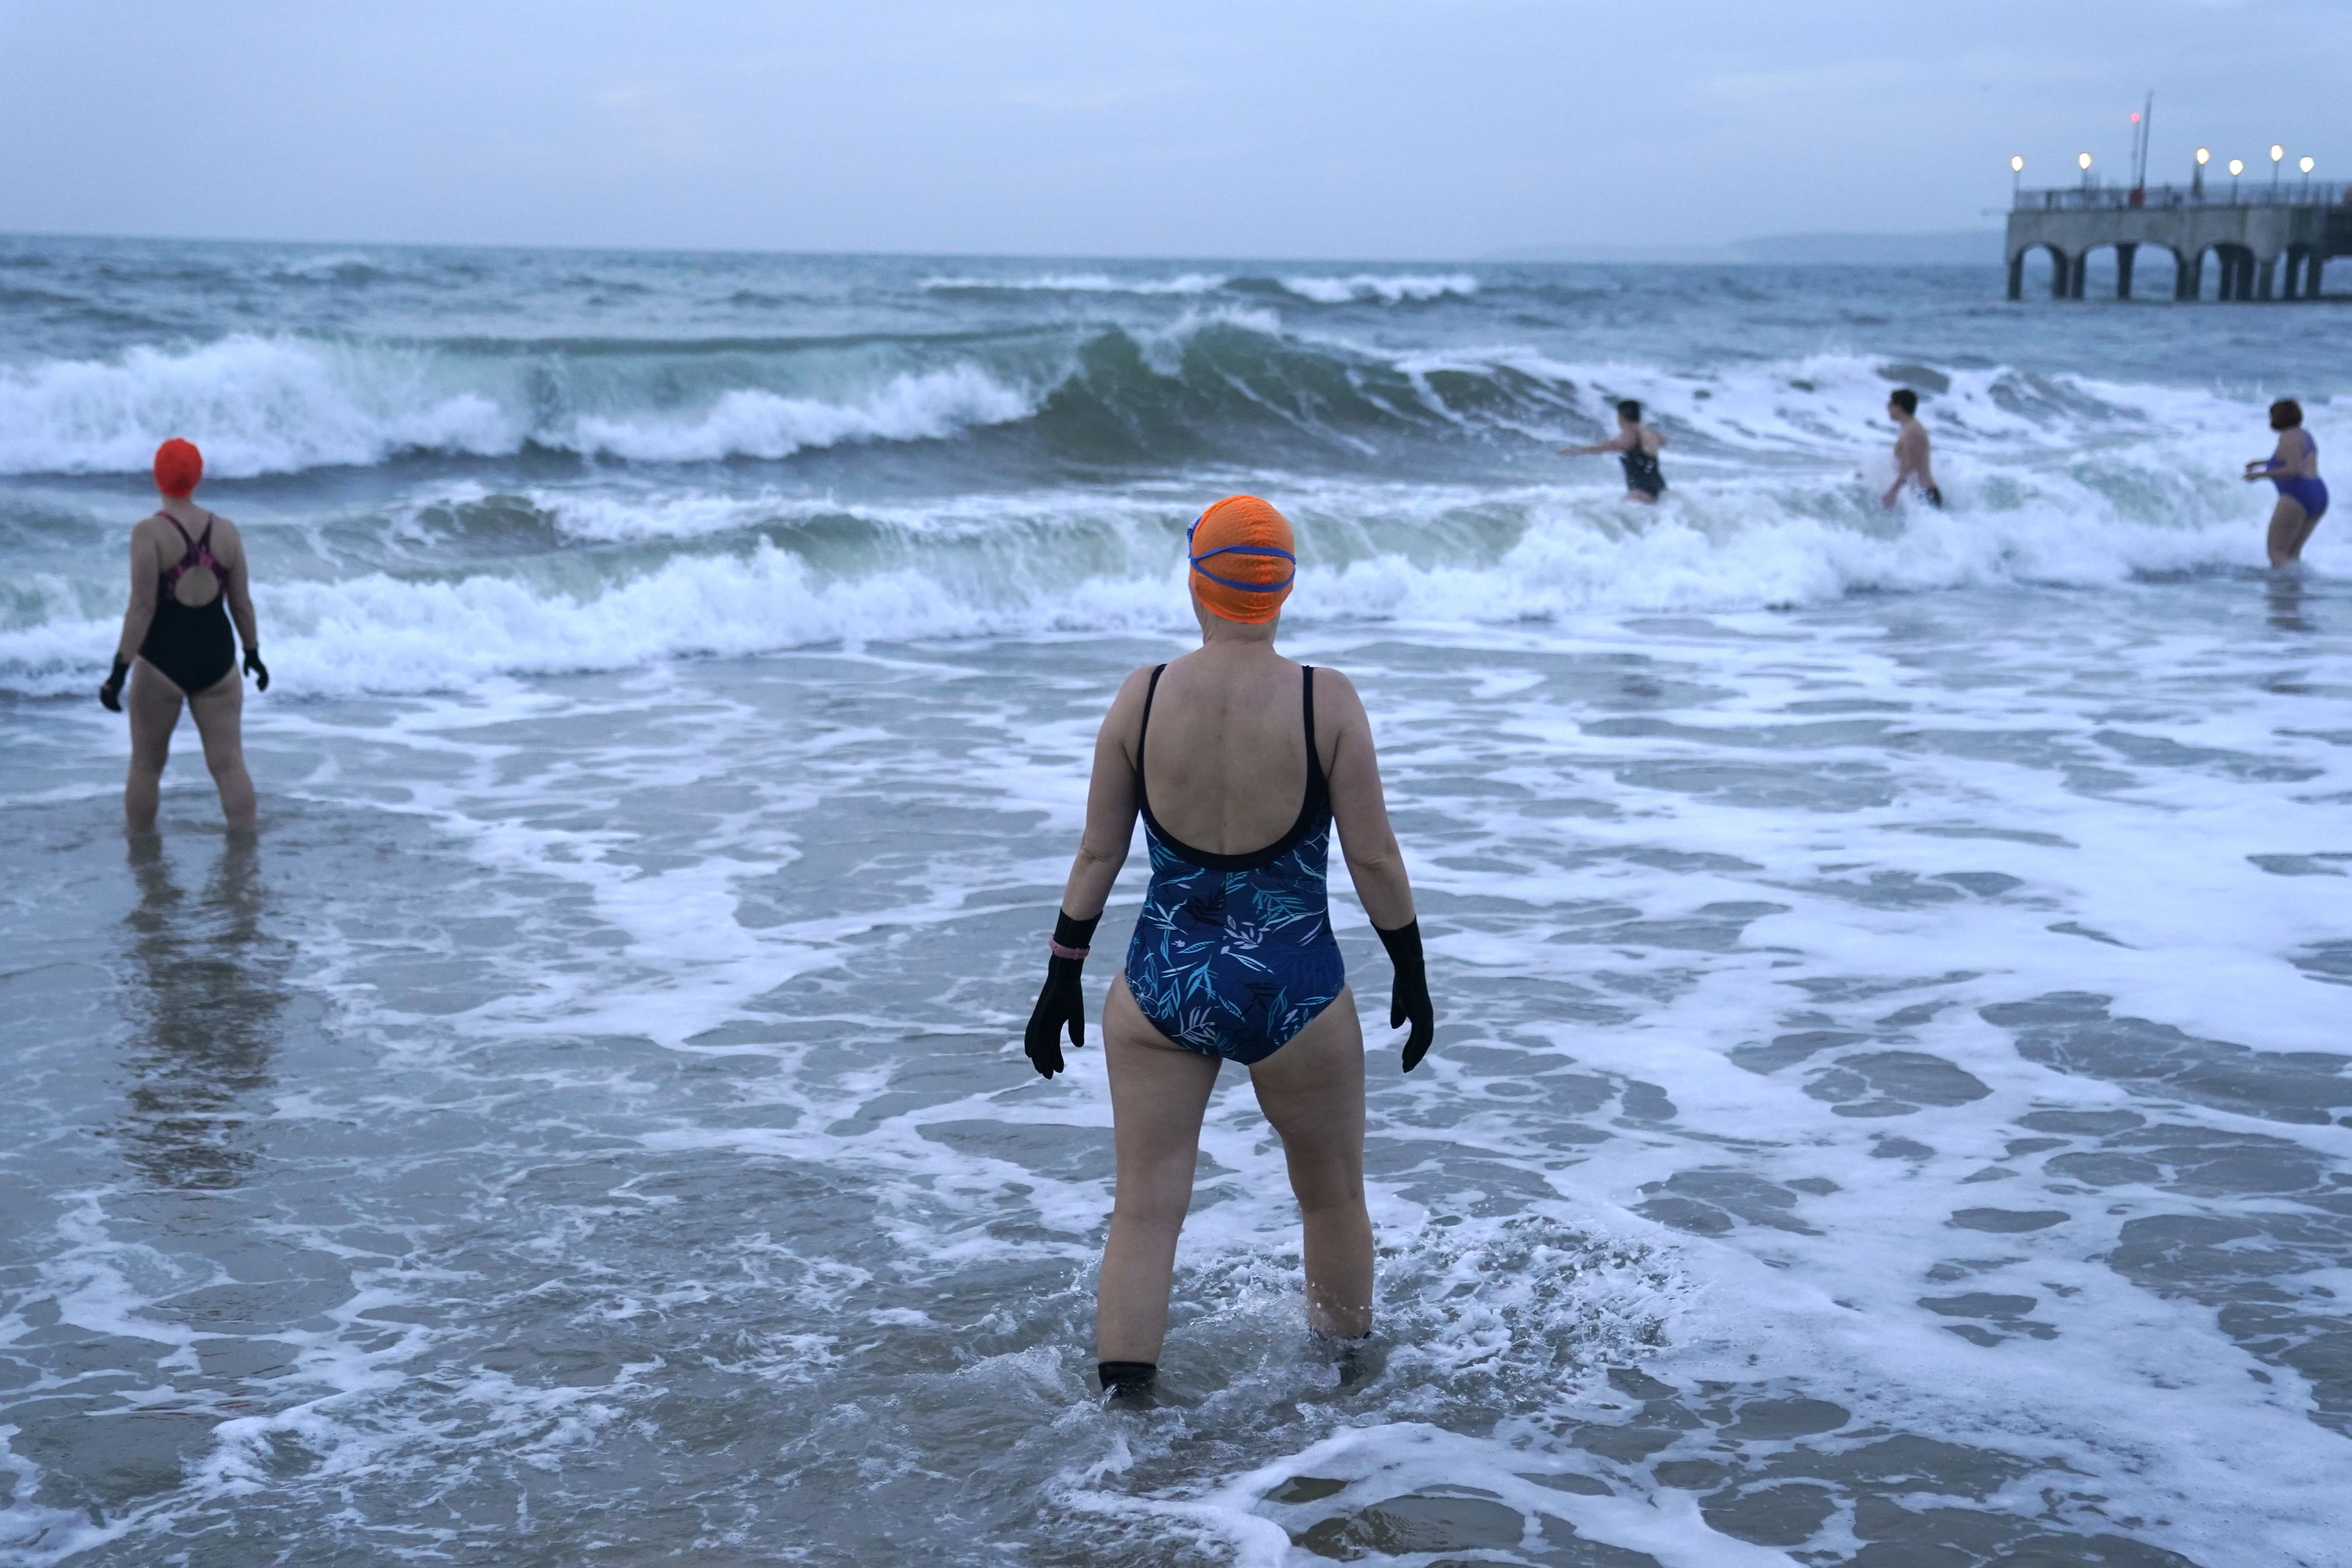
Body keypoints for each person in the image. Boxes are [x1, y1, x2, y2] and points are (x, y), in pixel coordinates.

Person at [1020, 495, 1435, 1401]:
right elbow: (1371, 852)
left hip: (1162, 983)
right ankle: (1342, 1389)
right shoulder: (1323, 698)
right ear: (1282, 586)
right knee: (1329, 1197)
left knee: (1144, 1208)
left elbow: (1098, 850)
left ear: (1195, 581)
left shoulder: (1145, 693)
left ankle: (1124, 1413)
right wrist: (1408, 963)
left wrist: (1061, 972)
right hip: (1295, 988)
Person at [100, 439, 268, 831]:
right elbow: (241, 603)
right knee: (229, 763)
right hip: (218, 661)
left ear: (158, 477)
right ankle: (244, 855)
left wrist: (119, 671)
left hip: (162, 663)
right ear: (198, 476)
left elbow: (142, 608)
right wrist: (253, 653)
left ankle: (141, 854)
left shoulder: (149, 533)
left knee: (146, 763)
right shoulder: (226, 532)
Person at [2245, 398, 2326, 566]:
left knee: (2277, 552)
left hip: (2298, 494)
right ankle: (2295, 589)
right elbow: (2295, 460)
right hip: (2318, 492)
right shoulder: (2303, 434)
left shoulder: (2287, 437)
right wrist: (2261, 463)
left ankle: (2283, 590)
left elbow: (2293, 470)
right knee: (2292, 553)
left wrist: (2260, 476)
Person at [1559, 399, 1667, 502]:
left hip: (1641, 491)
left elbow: (1601, 448)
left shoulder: (1628, 436)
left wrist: (1575, 451)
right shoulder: (1651, 434)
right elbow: (1663, 443)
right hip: (1659, 488)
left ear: (1622, 417)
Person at [1882, 388, 1942, 508]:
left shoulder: (1912, 431)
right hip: (1921, 494)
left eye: (1890, 405)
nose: (1888, 409)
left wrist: (1893, 493)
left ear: (1899, 406)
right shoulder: (1910, 428)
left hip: (1926, 496)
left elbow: (1910, 467)